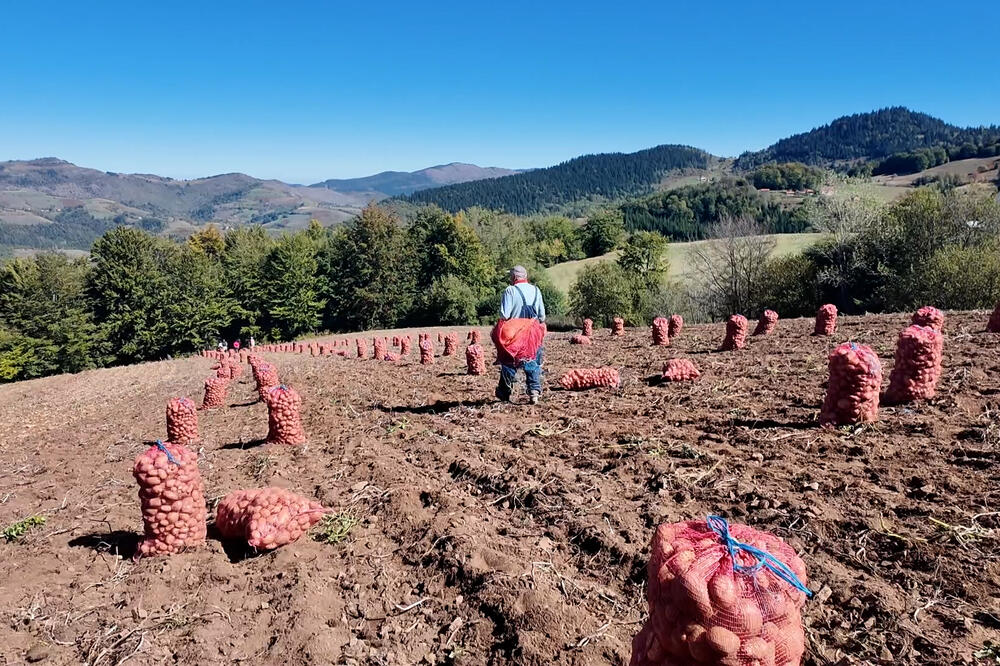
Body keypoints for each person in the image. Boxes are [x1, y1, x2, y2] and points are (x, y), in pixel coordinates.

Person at [493, 265, 546, 404]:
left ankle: (504, 392)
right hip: (533, 332)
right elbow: (542, 316)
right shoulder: (536, 290)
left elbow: (504, 315)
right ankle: (534, 391)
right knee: (532, 360)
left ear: (514, 277)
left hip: (515, 332)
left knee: (509, 361)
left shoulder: (510, 290)